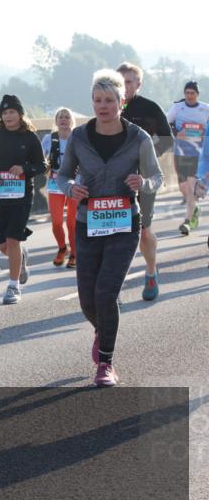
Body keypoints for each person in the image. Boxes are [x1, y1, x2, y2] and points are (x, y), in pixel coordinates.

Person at [56, 70, 162, 387]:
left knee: (106, 292)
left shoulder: (138, 138)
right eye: (98, 100)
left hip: (123, 223)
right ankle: (102, 327)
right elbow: (62, 175)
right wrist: (70, 187)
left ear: (121, 102)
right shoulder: (79, 137)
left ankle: (106, 363)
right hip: (88, 223)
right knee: (88, 299)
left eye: (110, 100)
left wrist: (142, 182)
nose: (103, 106)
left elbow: (157, 178)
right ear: (92, 102)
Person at [118, 62, 173, 299]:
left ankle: (151, 273)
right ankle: (113, 289)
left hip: (144, 179)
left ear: (138, 84)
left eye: (129, 82)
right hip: (115, 180)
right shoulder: (109, 107)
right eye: (120, 81)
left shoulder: (149, 108)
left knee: (144, 231)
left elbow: (167, 140)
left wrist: (147, 157)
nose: (124, 86)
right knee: (115, 233)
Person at [0, 95, 45, 305]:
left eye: (12, 112)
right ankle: (21, 257)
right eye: (4, 113)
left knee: (13, 240)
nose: (8, 116)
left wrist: (24, 169)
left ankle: (13, 286)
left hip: (22, 196)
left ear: (20, 114)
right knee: (4, 246)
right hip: (1, 196)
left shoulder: (29, 138)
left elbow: (41, 165)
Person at [167, 81, 209, 235]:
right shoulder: (178, 108)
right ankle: (195, 208)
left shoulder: (205, 109)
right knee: (183, 188)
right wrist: (176, 132)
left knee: (191, 188)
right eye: (187, 93)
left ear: (197, 94)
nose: (189, 96)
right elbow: (166, 123)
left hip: (198, 155)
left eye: (192, 93)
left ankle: (187, 222)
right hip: (180, 153)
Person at [41, 108, 79, 268]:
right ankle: (62, 248)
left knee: (72, 222)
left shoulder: (78, 138)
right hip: (55, 183)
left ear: (72, 120)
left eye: (66, 117)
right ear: (56, 121)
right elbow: (40, 159)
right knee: (56, 222)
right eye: (60, 117)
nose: (63, 120)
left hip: (75, 184)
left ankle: (75, 254)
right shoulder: (49, 139)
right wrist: (45, 165)